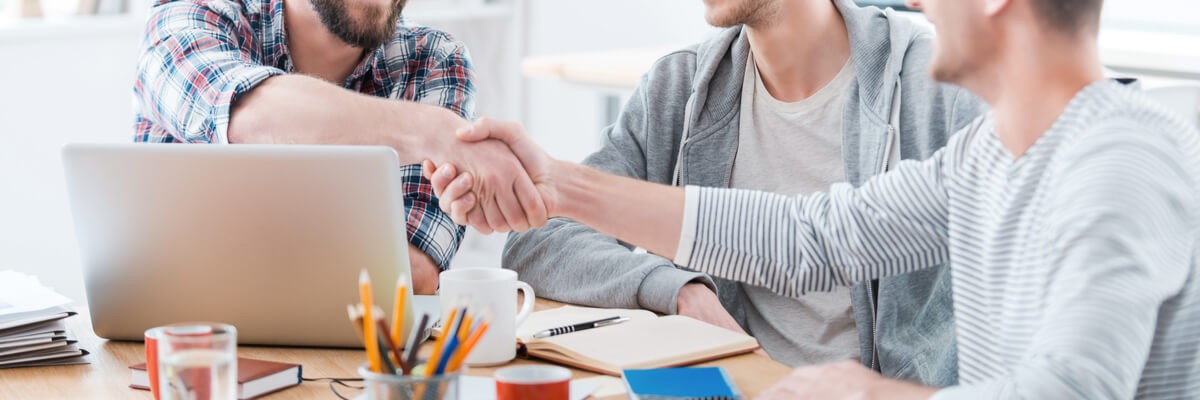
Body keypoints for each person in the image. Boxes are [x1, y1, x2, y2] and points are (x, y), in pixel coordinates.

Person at [426, 0, 1200, 397]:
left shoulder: (1119, 160)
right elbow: (812, 236)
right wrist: (556, 184)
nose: (921, 2)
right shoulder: (987, 154)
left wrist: (867, 393)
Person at [502, 0, 983, 381]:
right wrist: (678, 291)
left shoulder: (938, 89)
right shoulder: (681, 86)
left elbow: (808, 241)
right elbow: (540, 240)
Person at [132, 0, 543, 294]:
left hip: (347, 364)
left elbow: (413, 273)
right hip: (180, 349)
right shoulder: (191, 16)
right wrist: (428, 132)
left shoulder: (434, 60)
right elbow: (245, 114)